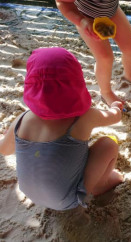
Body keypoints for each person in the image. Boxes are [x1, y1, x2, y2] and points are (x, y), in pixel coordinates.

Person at [0, 47, 124, 211]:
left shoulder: (23, 118)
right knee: (108, 145)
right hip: (67, 200)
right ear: (77, 84)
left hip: (29, 193)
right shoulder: (85, 117)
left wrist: (10, 136)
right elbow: (114, 117)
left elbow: (5, 150)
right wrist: (115, 107)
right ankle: (100, 184)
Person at [55, 0, 131, 105]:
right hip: (85, 17)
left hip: (112, 12)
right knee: (105, 58)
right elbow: (63, 3)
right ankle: (106, 92)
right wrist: (82, 21)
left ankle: (129, 74)